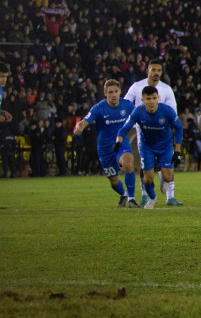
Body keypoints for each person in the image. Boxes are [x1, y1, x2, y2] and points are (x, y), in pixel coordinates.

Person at [113, 85, 183, 209]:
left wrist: (177, 151)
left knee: (168, 178)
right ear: (142, 100)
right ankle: (152, 198)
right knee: (148, 179)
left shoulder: (167, 111)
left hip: (165, 147)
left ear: (158, 98)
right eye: (148, 99)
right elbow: (124, 128)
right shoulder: (138, 112)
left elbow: (178, 128)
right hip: (147, 147)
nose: (151, 101)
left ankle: (162, 175)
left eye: (154, 98)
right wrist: (118, 142)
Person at [124, 59, 182, 206]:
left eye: (159, 70)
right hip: (142, 131)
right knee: (145, 166)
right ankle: (145, 193)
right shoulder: (137, 87)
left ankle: (170, 196)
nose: (156, 73)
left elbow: (172, 111)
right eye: (153, 70)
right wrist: (137, 116)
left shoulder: (166, 89)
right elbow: (126, 103)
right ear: (147, 70)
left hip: (162, 132)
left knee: (168, 169)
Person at [73, 79, 139, 207]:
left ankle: (131, 199)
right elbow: (85, 120)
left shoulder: (127, 105)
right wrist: (79, 126)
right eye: (110, 92)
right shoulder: (99, 108)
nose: (114, 94)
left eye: (116, 91)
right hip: (105, 148)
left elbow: (140, 116)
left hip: (121, 143)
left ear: (120, 92)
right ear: (105, 93)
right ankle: (124, 195)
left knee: (128, 162)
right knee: (114, 181)